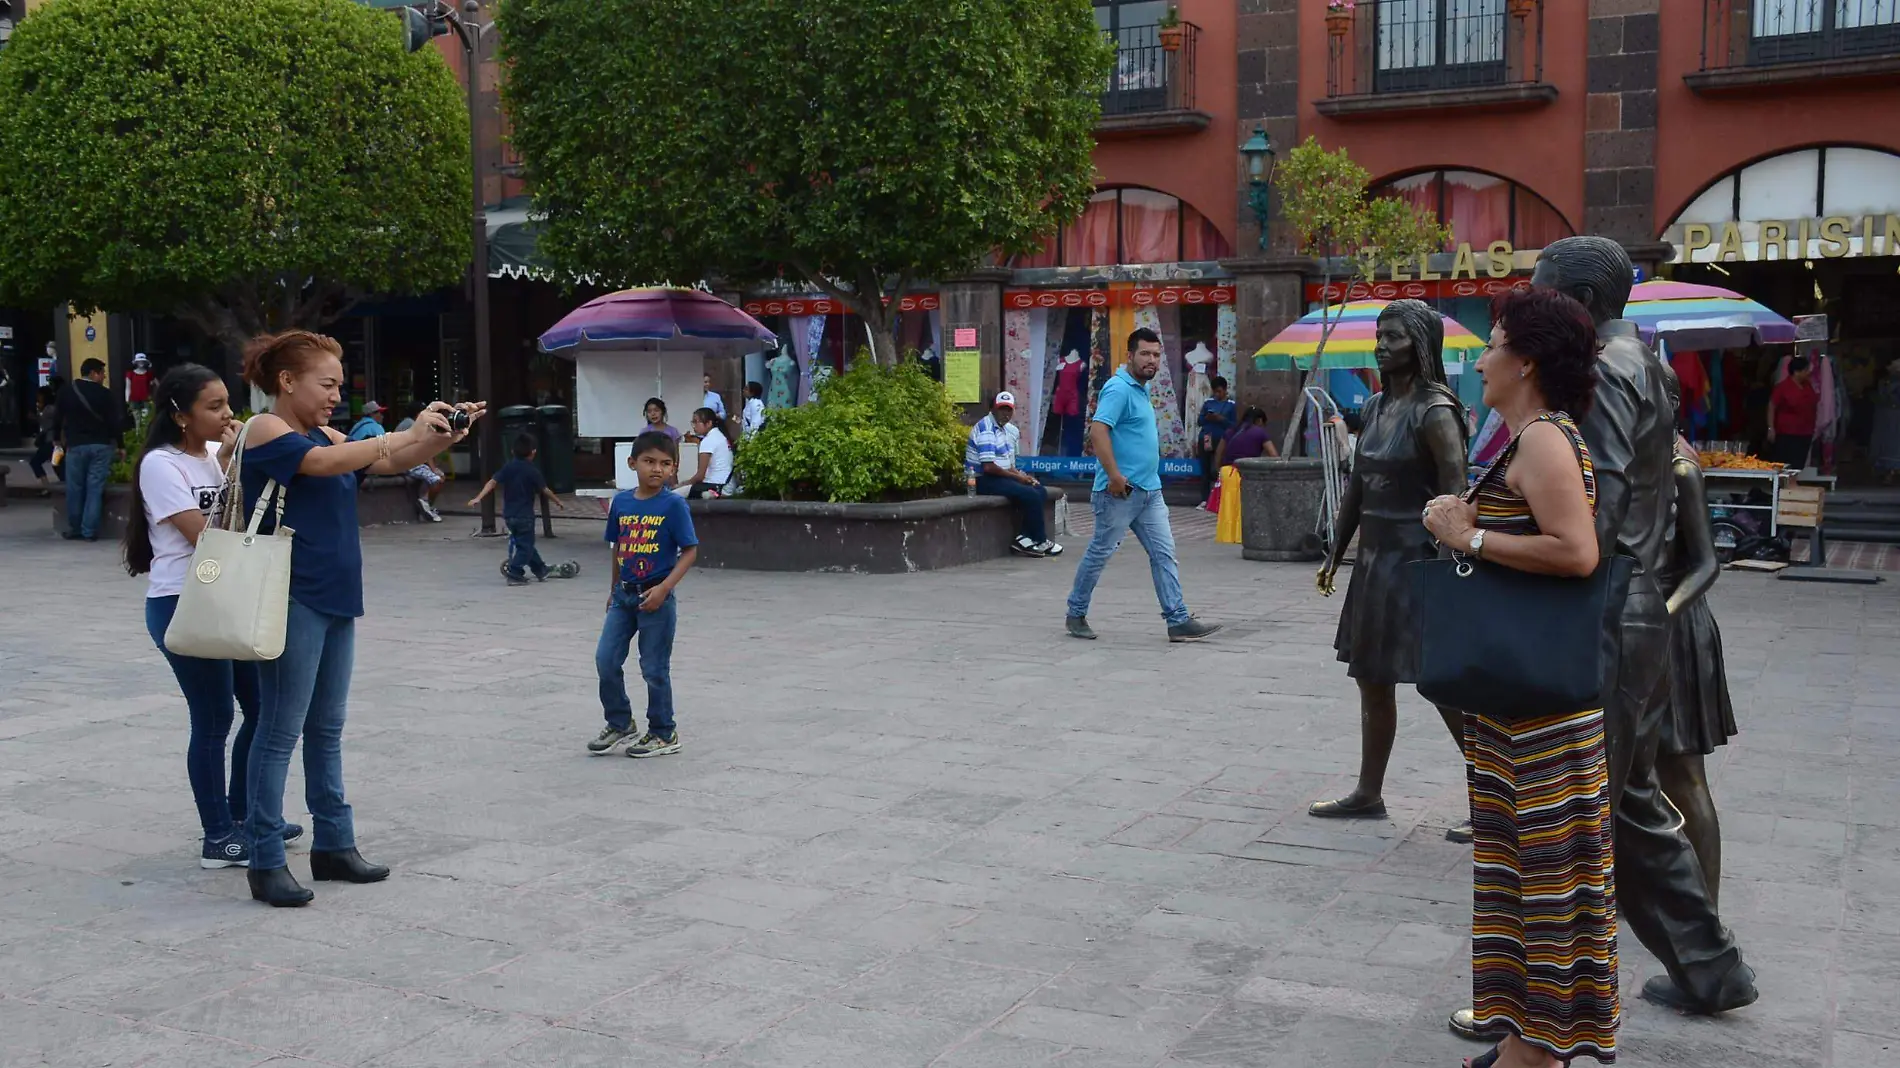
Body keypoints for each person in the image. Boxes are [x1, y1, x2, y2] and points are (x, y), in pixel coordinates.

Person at [1523, 236, 1755, 1021]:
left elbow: (1608, 501)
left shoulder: (1608, 371)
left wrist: (1555, 576)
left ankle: (1547, 1003)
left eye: (1542, 294)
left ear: (1580, 303)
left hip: (1609, 609)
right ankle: (1710, 967)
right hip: (1634, 610)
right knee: (1630, 803)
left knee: (1581, 808)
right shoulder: (1645, 362)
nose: (1530, 307)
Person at [1421, 288, 1616, 1068]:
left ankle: (1539, 1052)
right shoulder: (1524, 436)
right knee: (1519, 869)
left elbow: (1578, 552)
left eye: (1493, 341)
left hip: (1540, 711)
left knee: (1546, 874)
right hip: (1515, 705)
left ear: (1526, 361)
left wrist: (1471, 535)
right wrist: (1462, 524)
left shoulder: (1542, 439)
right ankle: (1524, 1041)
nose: (1479, 355)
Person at [235, 330, 484, 907]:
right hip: (293, 596)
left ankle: (334, 844)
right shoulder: (266, 431)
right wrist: (406, 432)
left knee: (326, 730)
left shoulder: (324, 432)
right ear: (286, 381)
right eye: (326, 384)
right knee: (279, 731)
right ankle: (266, 858)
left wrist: (441, 434)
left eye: (339, 385)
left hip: (336, 595)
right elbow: (325, 463)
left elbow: (394, 458)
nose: (335, 395)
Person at [122, 364, 296, 870]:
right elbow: (205, 535)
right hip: (184, 601)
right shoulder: (161, 464)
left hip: (228, 595)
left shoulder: (219, 457)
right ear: (180, 415)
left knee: (261, 708)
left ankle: (250, 816)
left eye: (228, 403)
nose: (228, 414)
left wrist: (241, 451)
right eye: (214, 407)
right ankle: (218, 835)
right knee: (215, 717)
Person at [1312, 300, 1470, 836]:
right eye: (1379, 335)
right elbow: (1358, 482)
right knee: (1372, 678)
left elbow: (1455, 493)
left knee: (1442, 684)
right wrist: (1337, 548)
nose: (1381, 345)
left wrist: (1449, 567)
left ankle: (1494, 800)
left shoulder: (1437, 412)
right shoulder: (1377, 405)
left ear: (1421, 345)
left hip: (1419, 560)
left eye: (1394, 337)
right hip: (1375, 561)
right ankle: (1368, 792)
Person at [1064, 328, 1221, 643]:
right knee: (1100, 553)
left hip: (1150, 492)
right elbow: (1097, 432)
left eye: (1156, 354)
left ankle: (1177, 620)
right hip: (1119, 493)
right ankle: (1076, 613)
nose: (1151, 360)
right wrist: (1114, 476)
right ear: (1130, 355)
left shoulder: (1141, 387)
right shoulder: (1118, 388)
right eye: (1145, 354)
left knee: (1165, 554)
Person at [1656, 370, 1734, 909]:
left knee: (1683, 771)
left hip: (1675, 628)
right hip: (1637, 623)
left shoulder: (1679, 466)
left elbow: (1706, 564)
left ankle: (1706, 908)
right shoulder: (1628, 459)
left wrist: (1660, 613)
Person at [588, 431, 698, 759]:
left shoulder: (674, 505)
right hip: (624, 597)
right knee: (605, 660)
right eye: (649, 461)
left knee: (653, 668)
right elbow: (618, 547)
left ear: (673, 469)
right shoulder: (621, 503)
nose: (656, 469)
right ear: (632, 463)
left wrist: (664, 590)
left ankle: (664, 731)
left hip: (657, 598)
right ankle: (620, 723)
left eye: (665, 464)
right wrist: (612, 589)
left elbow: (690, 551)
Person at [468, 432, 574, 586]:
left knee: (524, 544)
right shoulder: (533, 471)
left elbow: (492, 482)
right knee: (526, 546)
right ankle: (515, 572)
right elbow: (545, 490)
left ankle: (541, 569)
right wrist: (558, 501)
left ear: (512, 451)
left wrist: (478, 497)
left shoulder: (508, 467)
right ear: (533, 453)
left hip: (509, 515)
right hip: (525, 516)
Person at [967, 391, 1061, 558]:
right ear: (992, 409)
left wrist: (1022, 475)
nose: (1006, 414)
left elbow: (1005, 463)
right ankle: (1040, 540)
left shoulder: (1003, 430)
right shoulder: (986, 429)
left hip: (997, 475)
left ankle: (1024, 538)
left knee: (1038, 489)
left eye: (1009, 410)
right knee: (1029, 494)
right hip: (981, 479)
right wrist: (1018, 478)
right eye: (1002, 409)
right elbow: (988, 467)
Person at [53, 358, 125, 542]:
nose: (104, 377)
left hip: (76, 445)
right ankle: (89, 531)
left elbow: (57, 418)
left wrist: (56, 440)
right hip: (101, 446)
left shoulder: (66, 392)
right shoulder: (105, 394)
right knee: (95, 488)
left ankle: (74, 528)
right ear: (93, 373)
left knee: (74, 487)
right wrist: (121, 445)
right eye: (102, 373)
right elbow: (114, 422)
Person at [347, 401, 444, 521]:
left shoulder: (358, 426)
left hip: (357, 467)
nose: (382, 416)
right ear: (372, 414)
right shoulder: (376, 427)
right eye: (380, 413)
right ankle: (425, 504)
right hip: (376, 465)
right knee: (436, 478)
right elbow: (386, 452)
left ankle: (425, 503)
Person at [1766, 354, 1820, 470]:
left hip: (1805, 432)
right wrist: (1771, 428)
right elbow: (1772, 406)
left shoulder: (1808, 386)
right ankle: (1783, 485)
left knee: (1799, 462)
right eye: (1805, 370)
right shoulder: (1783, 387)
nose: (1808, 373)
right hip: (1787, 432)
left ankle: (1793, 484)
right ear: (1797, 371)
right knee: (1784, 462)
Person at [1194, 375, 1237, 501]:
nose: (1217, 394)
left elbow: (1234, 425)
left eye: (1219, 391)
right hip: (1207, 438)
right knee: (1205, 469)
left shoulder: (1231, 405)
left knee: (1220, 469)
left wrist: (1221, 419)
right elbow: (1200, 421)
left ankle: (1221, 498)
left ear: (1225, 390)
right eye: (1215, 391)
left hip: (1222, 440)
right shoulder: (1208, 403)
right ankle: (1205, 499)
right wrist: (1207, 418)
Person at [678, 407, 732, 499]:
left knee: (673, 494)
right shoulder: (720, 436)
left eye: (696, 422)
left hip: (715, 486)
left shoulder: (708, 441)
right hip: (727, 486)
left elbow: (700, 476)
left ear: (708, 423)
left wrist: (682, 484)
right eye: (692, 422)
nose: (693, 426)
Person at [1213, 407, 1277, 468]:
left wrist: (1219, 471)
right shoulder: (1260, 432)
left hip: (1229, 474)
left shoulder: (1230, 431)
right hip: (1249, 473)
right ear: (1260, 421)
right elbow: (1274, 456)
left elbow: (1218, 454)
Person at [29, 386, 59, 495]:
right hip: (53, 441)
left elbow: (45, 424)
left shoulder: (49, 409)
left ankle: (47, 486)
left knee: (36, 462)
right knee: (57, 464)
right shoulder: (52, 408)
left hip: (50, 441)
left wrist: (36, 418)